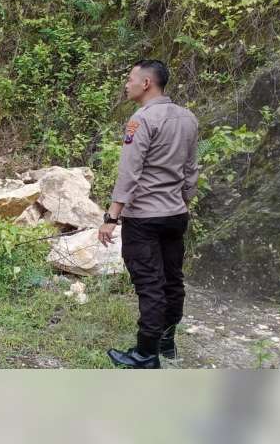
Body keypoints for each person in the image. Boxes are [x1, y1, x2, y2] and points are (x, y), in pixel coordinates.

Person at [98, 59, 199, 369]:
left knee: (150, 285)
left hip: (144, 218)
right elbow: (191, 170)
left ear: (146, 84)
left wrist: (112, 217)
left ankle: (145, 354)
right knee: (172, 280)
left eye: (130, 79)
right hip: (175, 214)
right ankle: (167, 342)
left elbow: (130, 172)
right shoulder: (188, 118)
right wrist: (181, 200)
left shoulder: (140, 121)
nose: (126, 85)